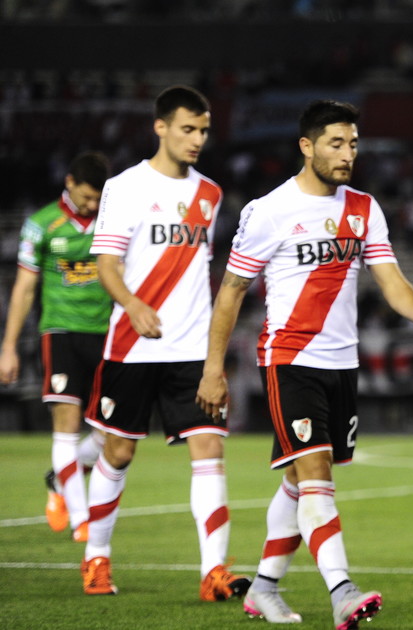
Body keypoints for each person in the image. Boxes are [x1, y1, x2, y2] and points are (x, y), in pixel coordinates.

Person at [196, 99, 413, 628]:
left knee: (298, 478)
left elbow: (391, 278)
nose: (347, 154)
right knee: (315, 473)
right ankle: (341, 590)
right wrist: (213, 367)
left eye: (353, 143)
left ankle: (264, 588)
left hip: (342, 364)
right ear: (307, 146)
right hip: (290, 359)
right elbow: (231, 292)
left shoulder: (364, 207)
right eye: (336, 143)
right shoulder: (269, 210)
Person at [81, 85, 250, 601]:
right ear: (161, 127)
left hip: (193, 348)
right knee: (118, 451)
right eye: (187, 129)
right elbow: (106, 264)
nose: (197, 139)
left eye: (203, 131)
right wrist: (133, 305)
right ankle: (96, 558)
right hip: (132, 345)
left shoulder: (211, 194)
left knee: (209, 449)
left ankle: (214, 571)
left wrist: (213, 357)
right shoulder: (124, 187)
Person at [0, 151, 112, 543]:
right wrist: (8, 346)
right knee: (66, 424)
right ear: (69, 183)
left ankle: (59, 479)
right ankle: (82, 519)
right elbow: (24, 288)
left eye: (98, 198)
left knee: (112, 434)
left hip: (108, 333)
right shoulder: (41, 225)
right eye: (86, 197)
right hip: (61, 332)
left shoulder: (113, 220)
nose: (92, 205)